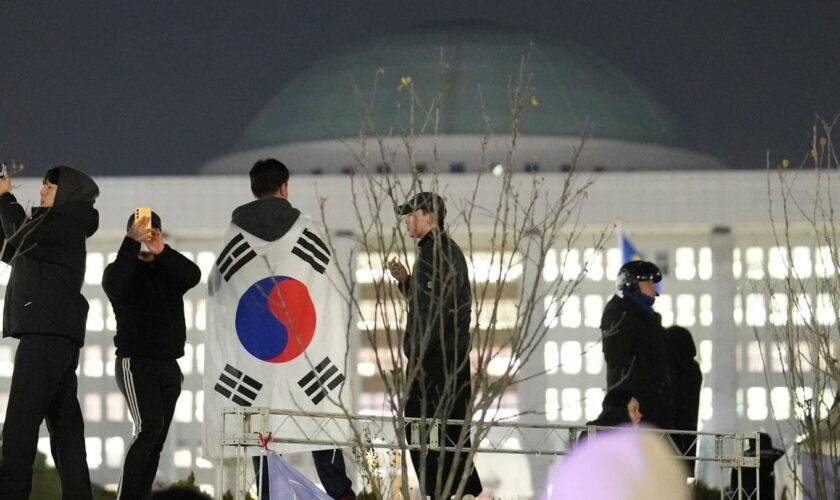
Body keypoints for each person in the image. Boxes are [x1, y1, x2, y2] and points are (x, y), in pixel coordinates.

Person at [237, 159, 355, 500]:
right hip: (306, 352)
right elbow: (328, 287)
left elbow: (222, 290)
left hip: (259, 356)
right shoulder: (306, 232)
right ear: (284, 188)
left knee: (265, 444)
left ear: (253, 189)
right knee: (322, 435)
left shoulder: (237, 234)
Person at [0, 166, 99, 499]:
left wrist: (5, 197)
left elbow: (19, 237)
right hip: (54, 334)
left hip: (45, 335)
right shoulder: (55, 227)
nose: (42, 191)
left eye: (50, 187)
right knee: (65, 430)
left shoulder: (64, 223)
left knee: (18, 428)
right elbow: (11, 242)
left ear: (68, 193)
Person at [388, 192, 483, 498]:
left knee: (419, 427)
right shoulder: (443, 251)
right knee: (452, 433)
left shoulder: (434, 253)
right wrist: (408, 283)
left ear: (430, 217)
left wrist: (415, 358)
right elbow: (435, 304)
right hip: (450, 360)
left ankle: (445, 492)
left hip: (435, 362)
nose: (406, 221)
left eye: (411, 215)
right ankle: (464, 493)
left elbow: (431, 316)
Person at [102, 211, 201, 499]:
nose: (147, 234)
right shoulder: (120, 270)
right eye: (140, 230)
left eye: (152, 229)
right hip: (136, 363)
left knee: (156, 440)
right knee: (147, 428)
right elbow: (115, 285)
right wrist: (131, 244)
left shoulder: (167, 270)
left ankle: (141, 494)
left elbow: (192, 275)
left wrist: (163, 250)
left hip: (169, 365)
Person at [600, 260, 672, 429]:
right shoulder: (619, 313)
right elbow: (618, 361)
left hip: (651, 409)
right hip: (634, 412)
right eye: (648, 281)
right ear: (632, 284)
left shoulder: (647, 318)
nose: (654, 286)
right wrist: (632, 404)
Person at [666, 325, 702, 476]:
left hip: (671, 428)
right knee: (687, 472)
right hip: (689, 429)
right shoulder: (694, 369)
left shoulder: (671, 369)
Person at [729, 432, 784, 499]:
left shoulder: (743, 456)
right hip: (774, 494)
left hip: (749, 494)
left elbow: (734, 481)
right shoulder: (780, 454)